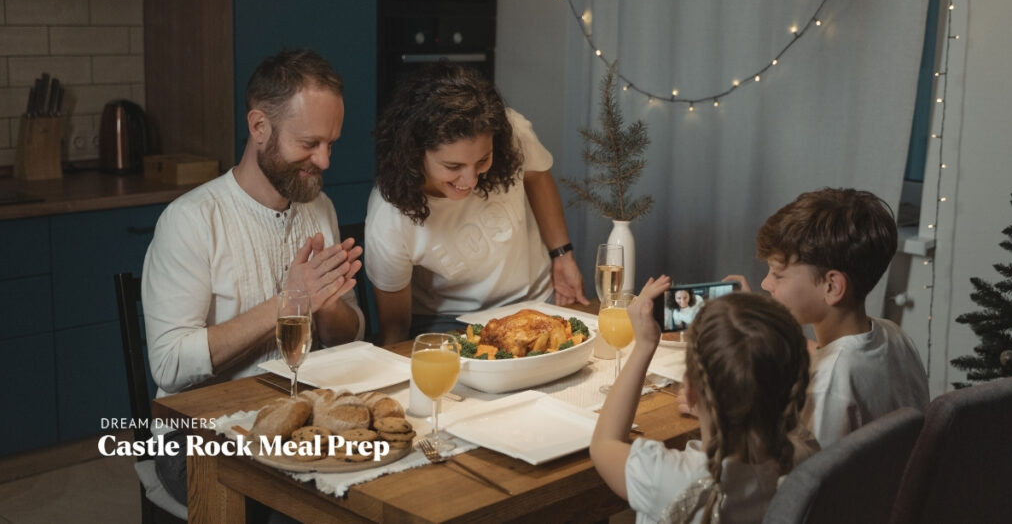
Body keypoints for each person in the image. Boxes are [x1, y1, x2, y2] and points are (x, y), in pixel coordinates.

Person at [141, 49, 364, 505]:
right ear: (259, 127)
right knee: (306, 502)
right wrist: (288, 302)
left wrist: (329, 306)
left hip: (297, 415)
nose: (324, 162)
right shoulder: (191, 221)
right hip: (194, 436)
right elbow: (168, 365)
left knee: (381, 476)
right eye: (309, 144)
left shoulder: (319, 208)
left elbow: (348, 337)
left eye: (331, 144)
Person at [365, 61, 587, 344]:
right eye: (453, 165)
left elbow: (537, 176)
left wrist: (562, 254)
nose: (469, 180)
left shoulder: (512, 132)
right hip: (450, 323)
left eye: (482, 160)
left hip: (536, 302)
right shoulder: (389, 216)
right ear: (414, 153)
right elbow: (395, 326)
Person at [591, 275, 813, 524]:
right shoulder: (804, 455)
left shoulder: (667, 478)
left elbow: (603, 443)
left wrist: (644, 345)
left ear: (690, 391)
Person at [723, 187, 929, 448]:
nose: (765, 284)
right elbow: (828, 353)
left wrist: (721, 415)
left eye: (777, 274)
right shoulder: (893, 335)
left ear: (832, 287)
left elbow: (806, 482)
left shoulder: (828, 386)